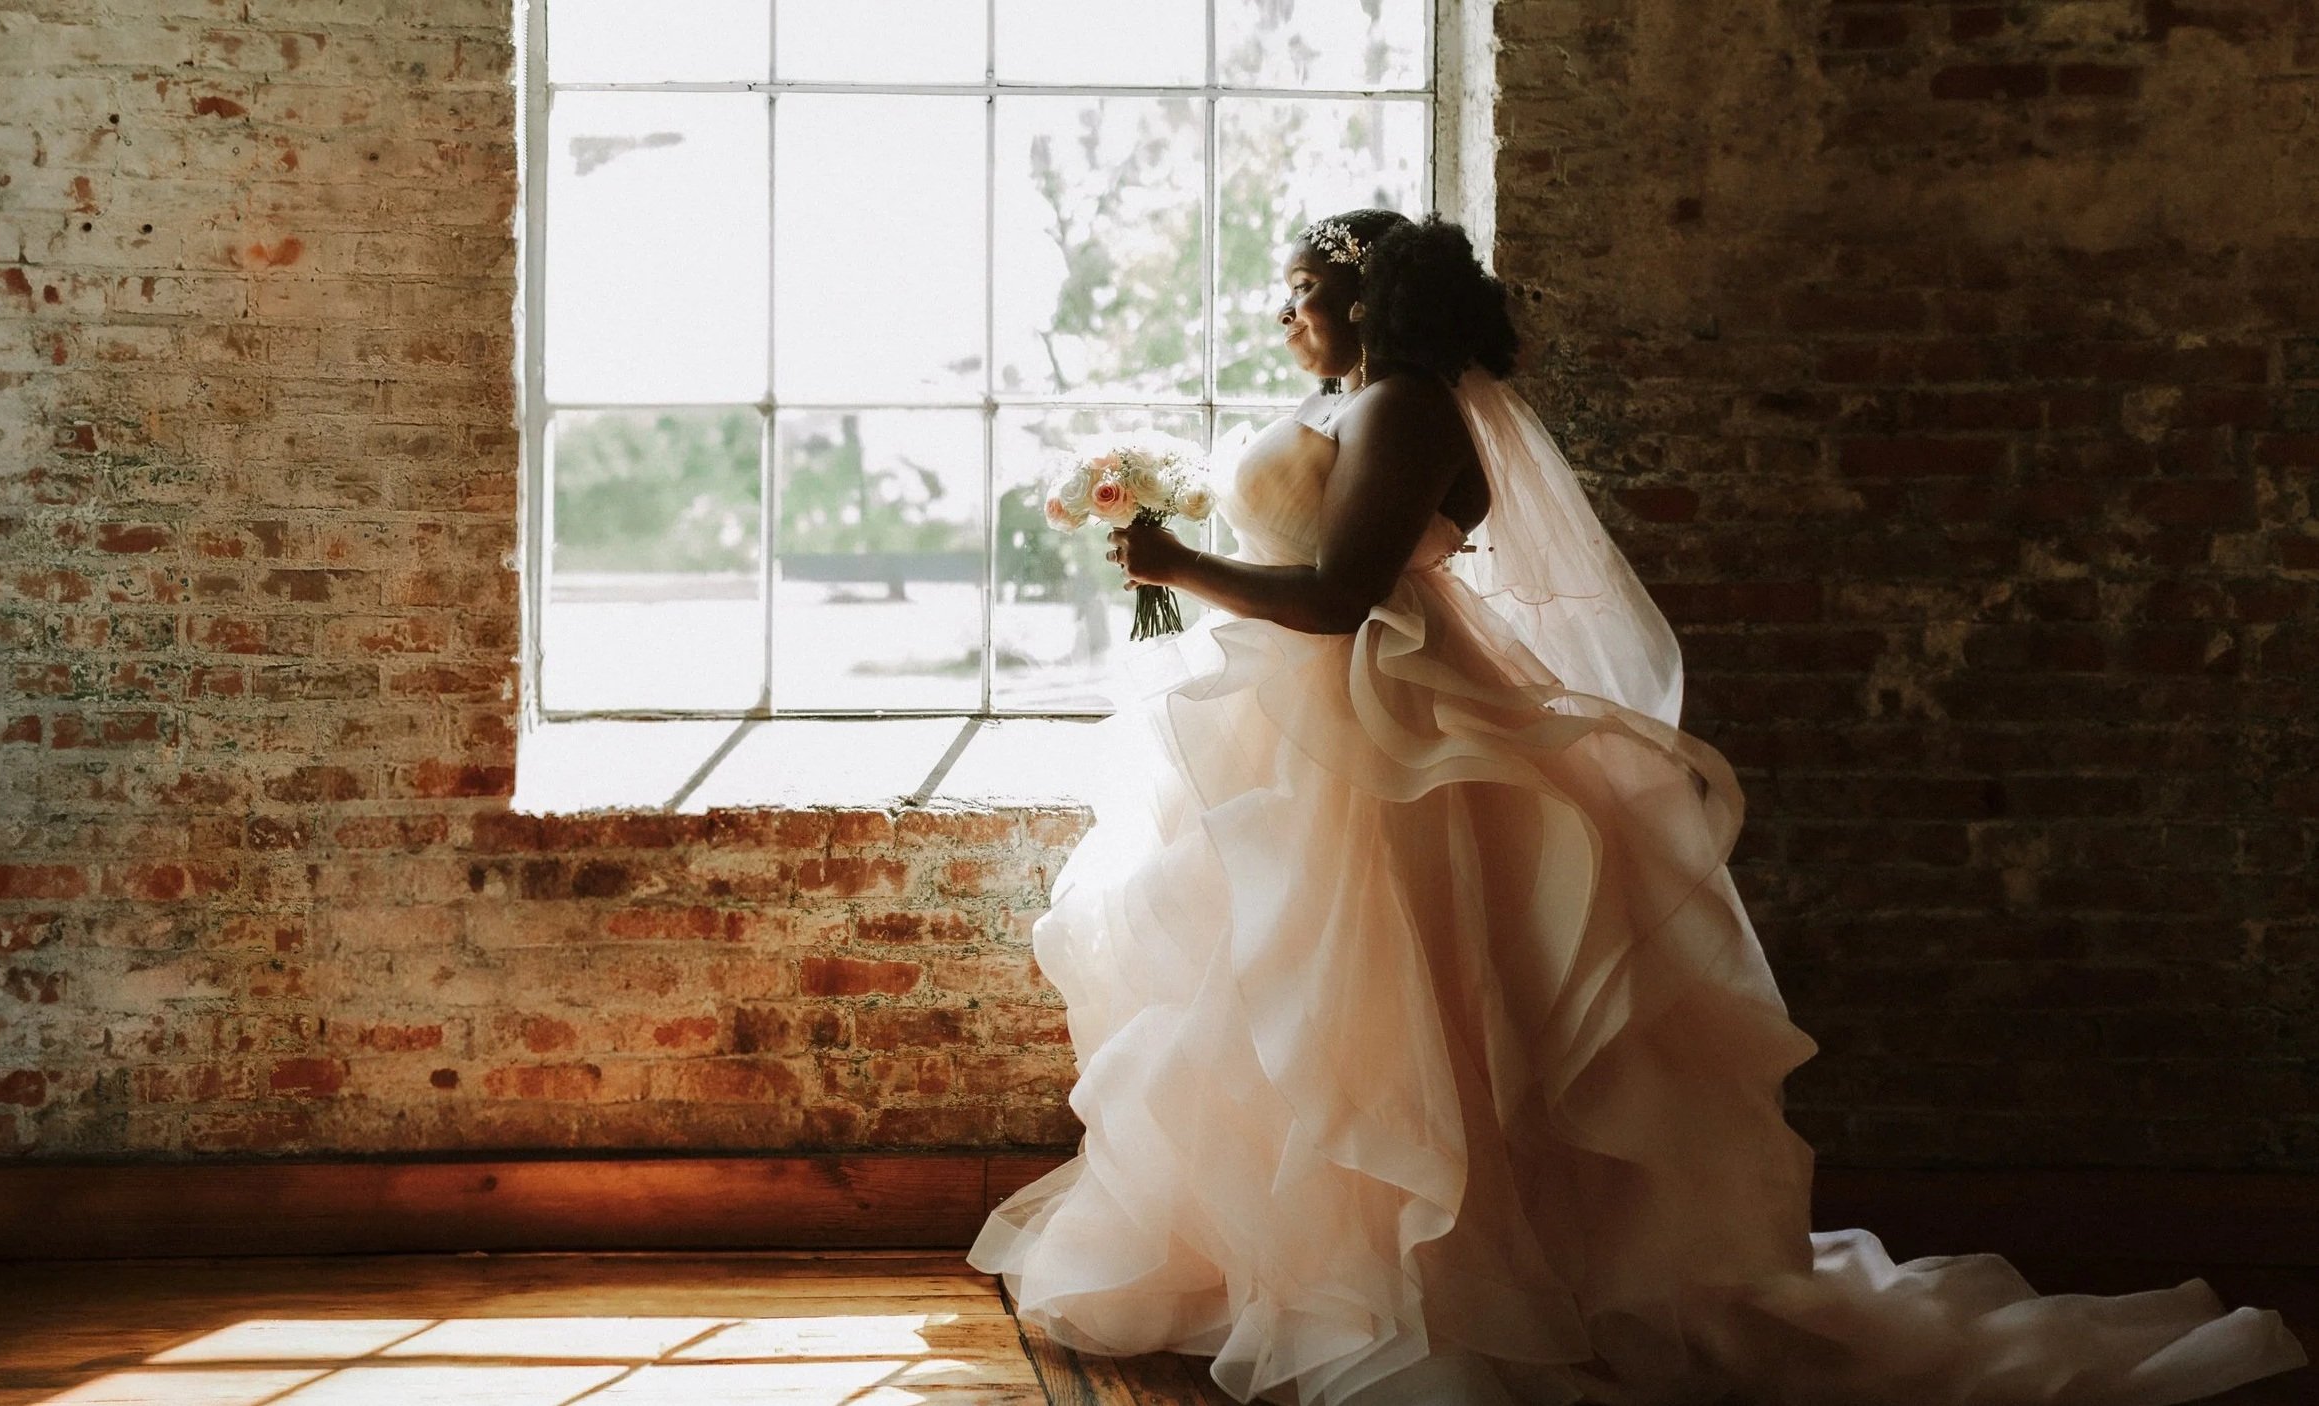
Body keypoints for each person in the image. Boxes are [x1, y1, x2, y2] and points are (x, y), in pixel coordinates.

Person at [965, 208, 2308, 1406]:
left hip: (1386, 739)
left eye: (1302, 291)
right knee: (1311, 1012)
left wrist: (1179, 560)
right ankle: (1330, 1265)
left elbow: (1340, 594)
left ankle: (1438, 1284)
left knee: (1393, 1011)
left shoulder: (1406, 409)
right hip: (1310, 732)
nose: (1284, 313)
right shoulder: (1361, 406)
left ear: (1366, 300)